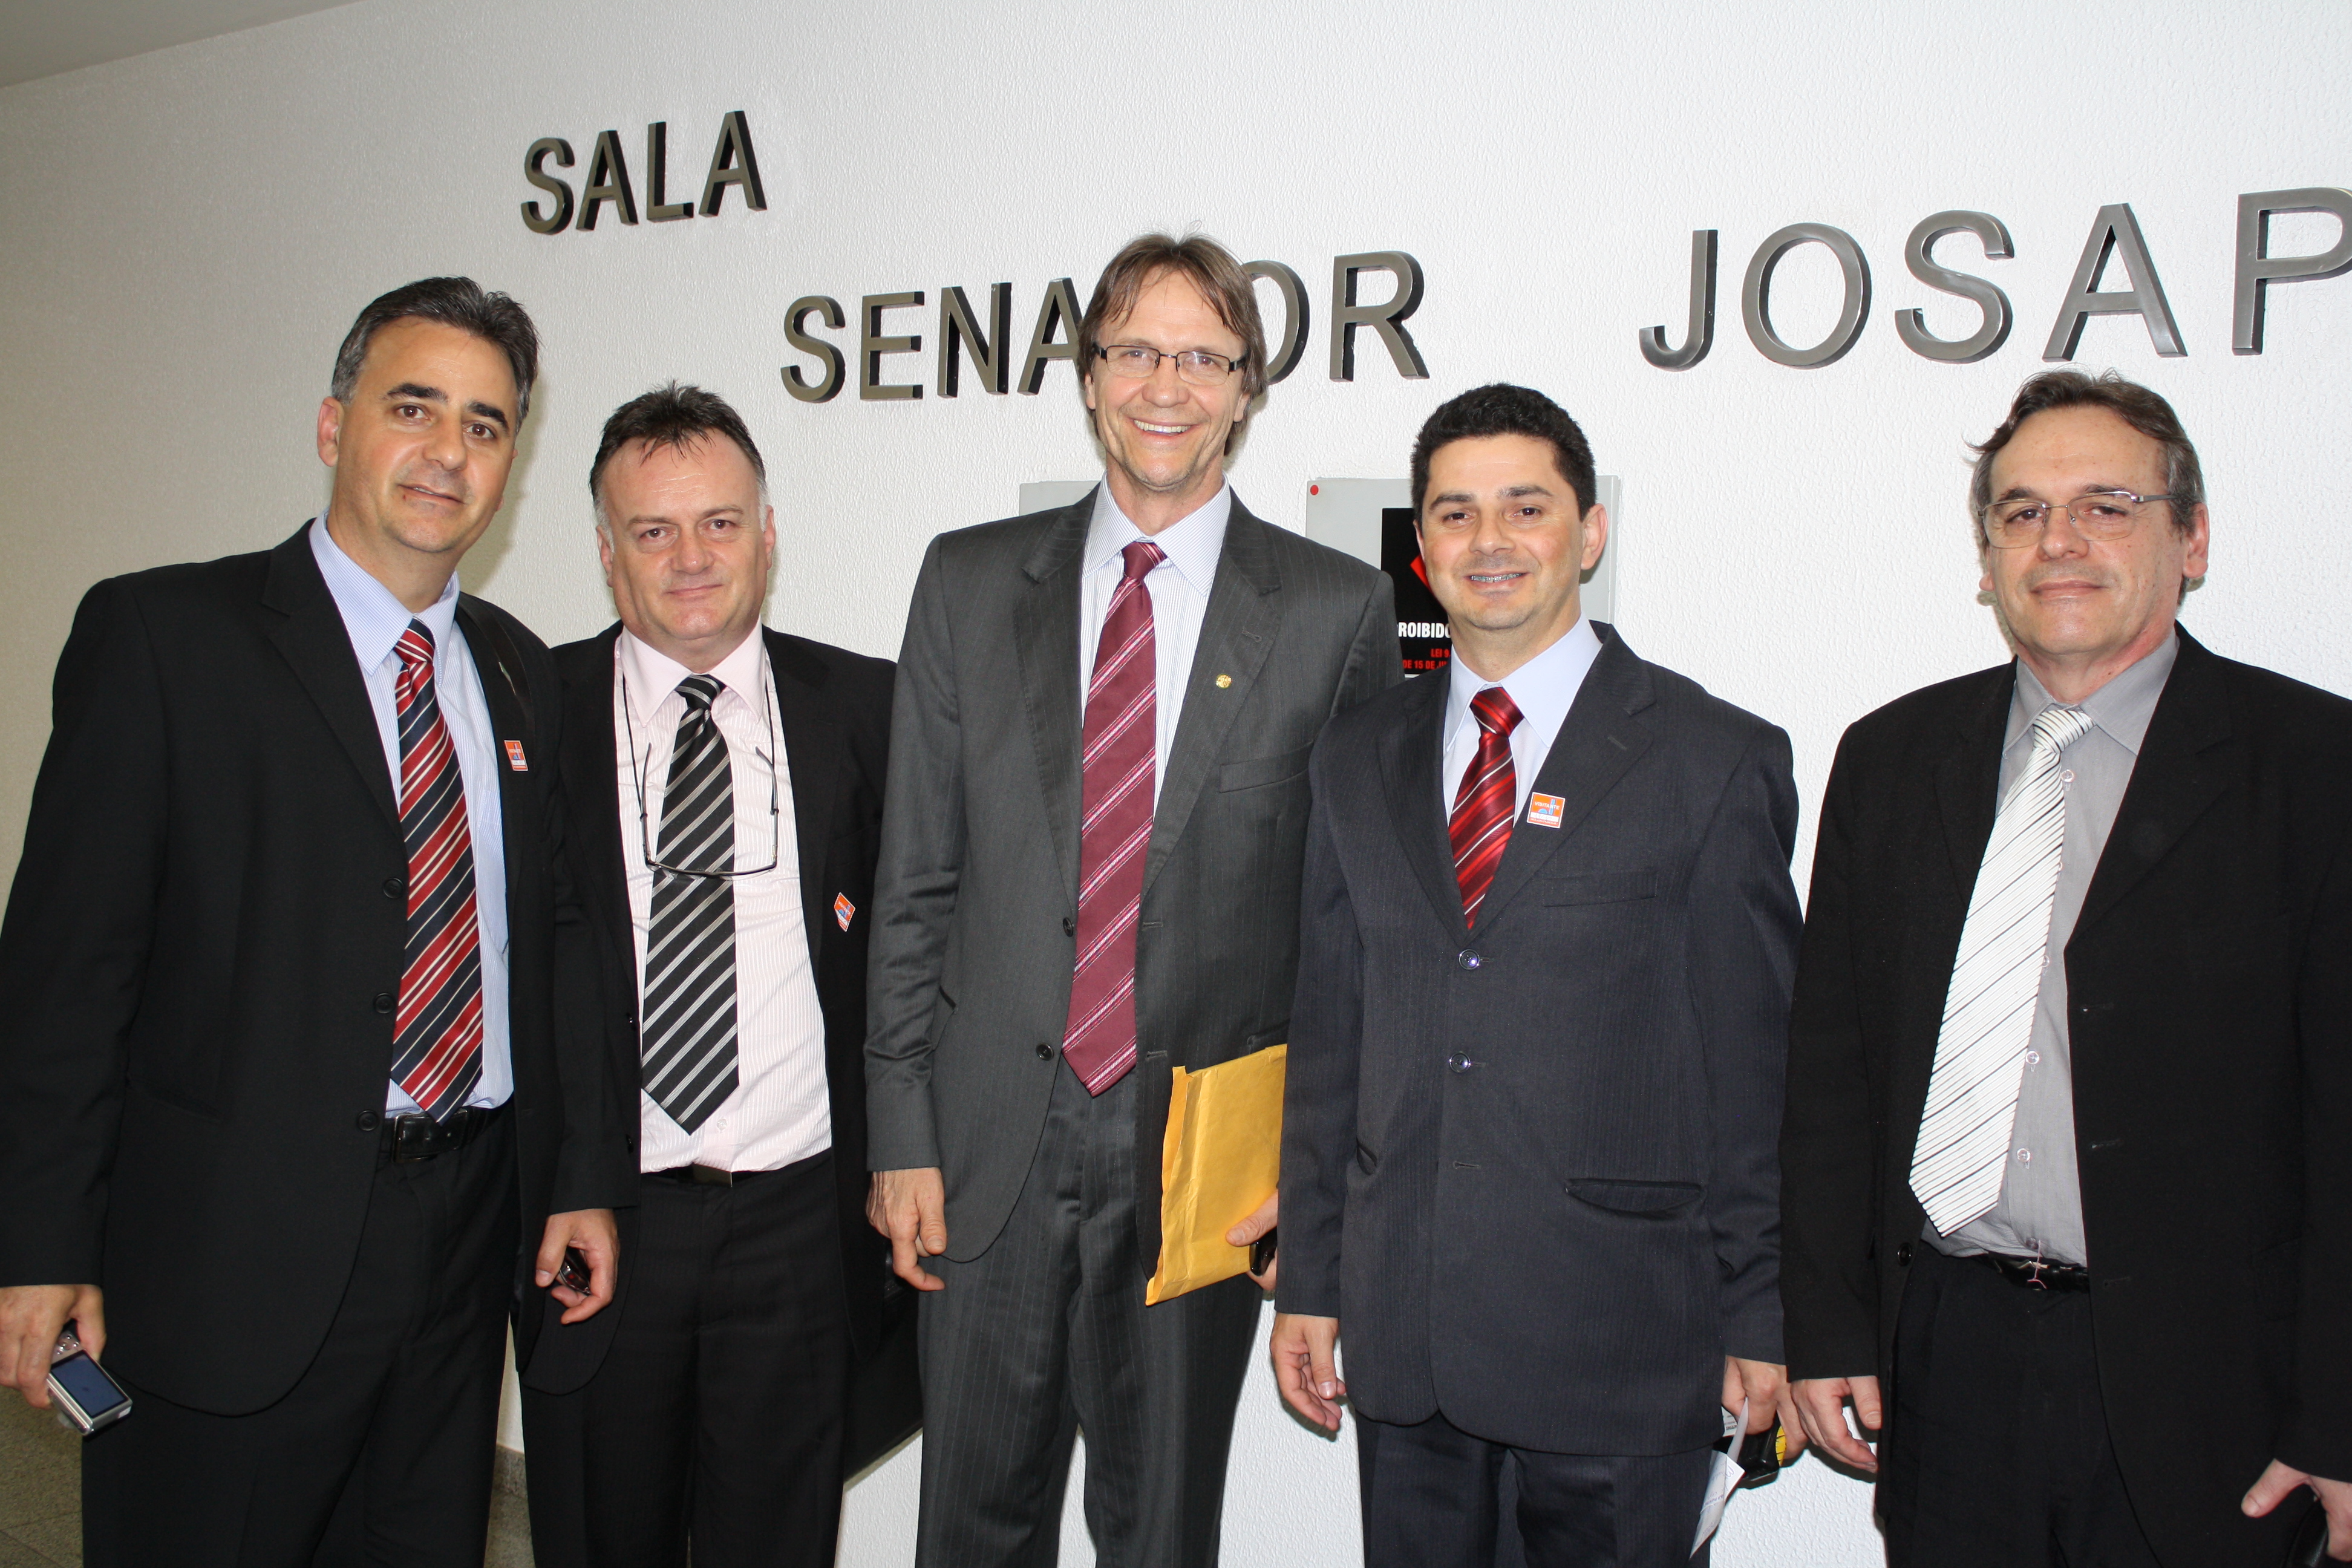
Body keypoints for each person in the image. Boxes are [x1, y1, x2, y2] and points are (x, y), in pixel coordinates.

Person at [0, 276, 627, 1566]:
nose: (448, 451)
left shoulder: (517, 672)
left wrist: (571, 1183)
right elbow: (67, 975)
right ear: (335, 425)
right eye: (415, 407)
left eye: (487, 424)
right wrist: (42, 1243)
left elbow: (545, 945)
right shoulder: (167, 637)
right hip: (235, 1255)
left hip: (461, 1243)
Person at [864, 230, 1399, 1566]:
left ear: (1246, 390)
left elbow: (1352, 936)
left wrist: (1311, 1177)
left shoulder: (1339, 611)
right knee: (969, 1528)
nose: (1168, 383)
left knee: (1160, 1536)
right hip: (984, 1147)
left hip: (1202, 1164)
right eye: (1137, 351)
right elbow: (914, 879)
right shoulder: (970, 580)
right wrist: (899, 1133)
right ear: (1091, 376)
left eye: (1204, 356)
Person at [1780, 369, 2352, 1566]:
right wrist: (1828, 1322)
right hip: (1946, 1362)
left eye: (2107, 504)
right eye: (2024, 512)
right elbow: (1835, 1070)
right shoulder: (1892, 759)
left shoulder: (2313, 769)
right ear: (1987, 560)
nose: (2062, 541)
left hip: (2213, 1396)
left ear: (2190, 539)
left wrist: (2338, 1411)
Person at [1272, 382, 1803, 1566]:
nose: (1490, 541)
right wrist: (1311, 1277)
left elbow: (1757, 1077)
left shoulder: (1714, 760)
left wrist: (1762, 1313)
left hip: (1620, 1349)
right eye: (1455, 515)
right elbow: (1330, 1040)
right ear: (1420, 549)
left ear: (1590, 531)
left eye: (1526, 507)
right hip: (1407, 1344)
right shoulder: (1354, 757)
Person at [518, 383, 895, 1568]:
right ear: (606, 551)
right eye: (654, 531)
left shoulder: (869, 708)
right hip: (601, 1216)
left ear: (768, 534)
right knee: (599, 1536)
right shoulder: (530, 709)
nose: (692, 559)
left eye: (721, 524)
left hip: (797, 1221)